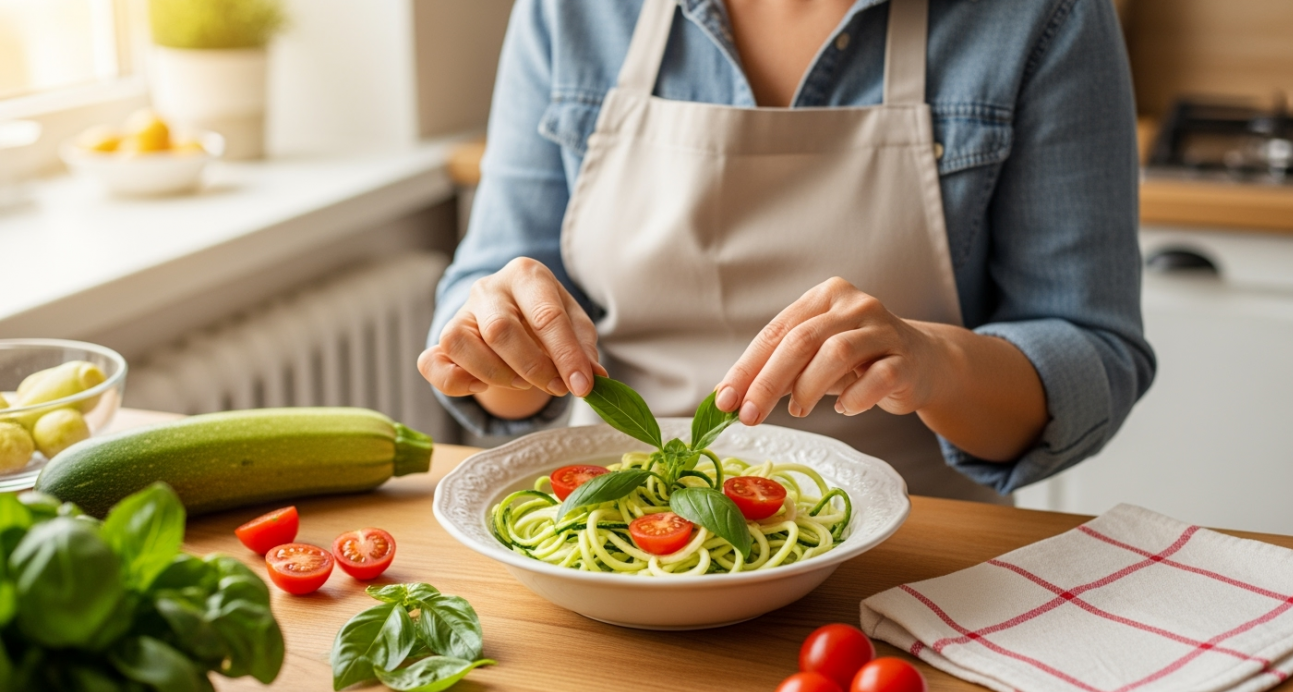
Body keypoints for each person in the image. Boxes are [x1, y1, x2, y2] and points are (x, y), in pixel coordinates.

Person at [418, 0, 1155, 503]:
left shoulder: (1043, 15)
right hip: (621, 535)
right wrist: (499, 342)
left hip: (920, 556)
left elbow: (1093, 349)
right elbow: (489, 294)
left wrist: (936, 363)